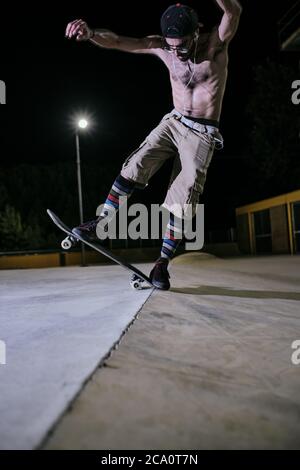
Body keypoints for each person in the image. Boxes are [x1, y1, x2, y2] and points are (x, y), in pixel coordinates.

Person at [65, 1, 242, 290]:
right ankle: (100, 224)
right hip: (173, 121)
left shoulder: (216, 45)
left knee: (183, 196)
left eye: (182, 46)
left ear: (196, 33)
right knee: (135, 165)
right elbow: (122, 42)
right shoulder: (162, 46)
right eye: (172, 46)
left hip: (202, 132)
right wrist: (92, 33)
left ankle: (162, 263)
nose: (177, 52)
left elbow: (233, 11)